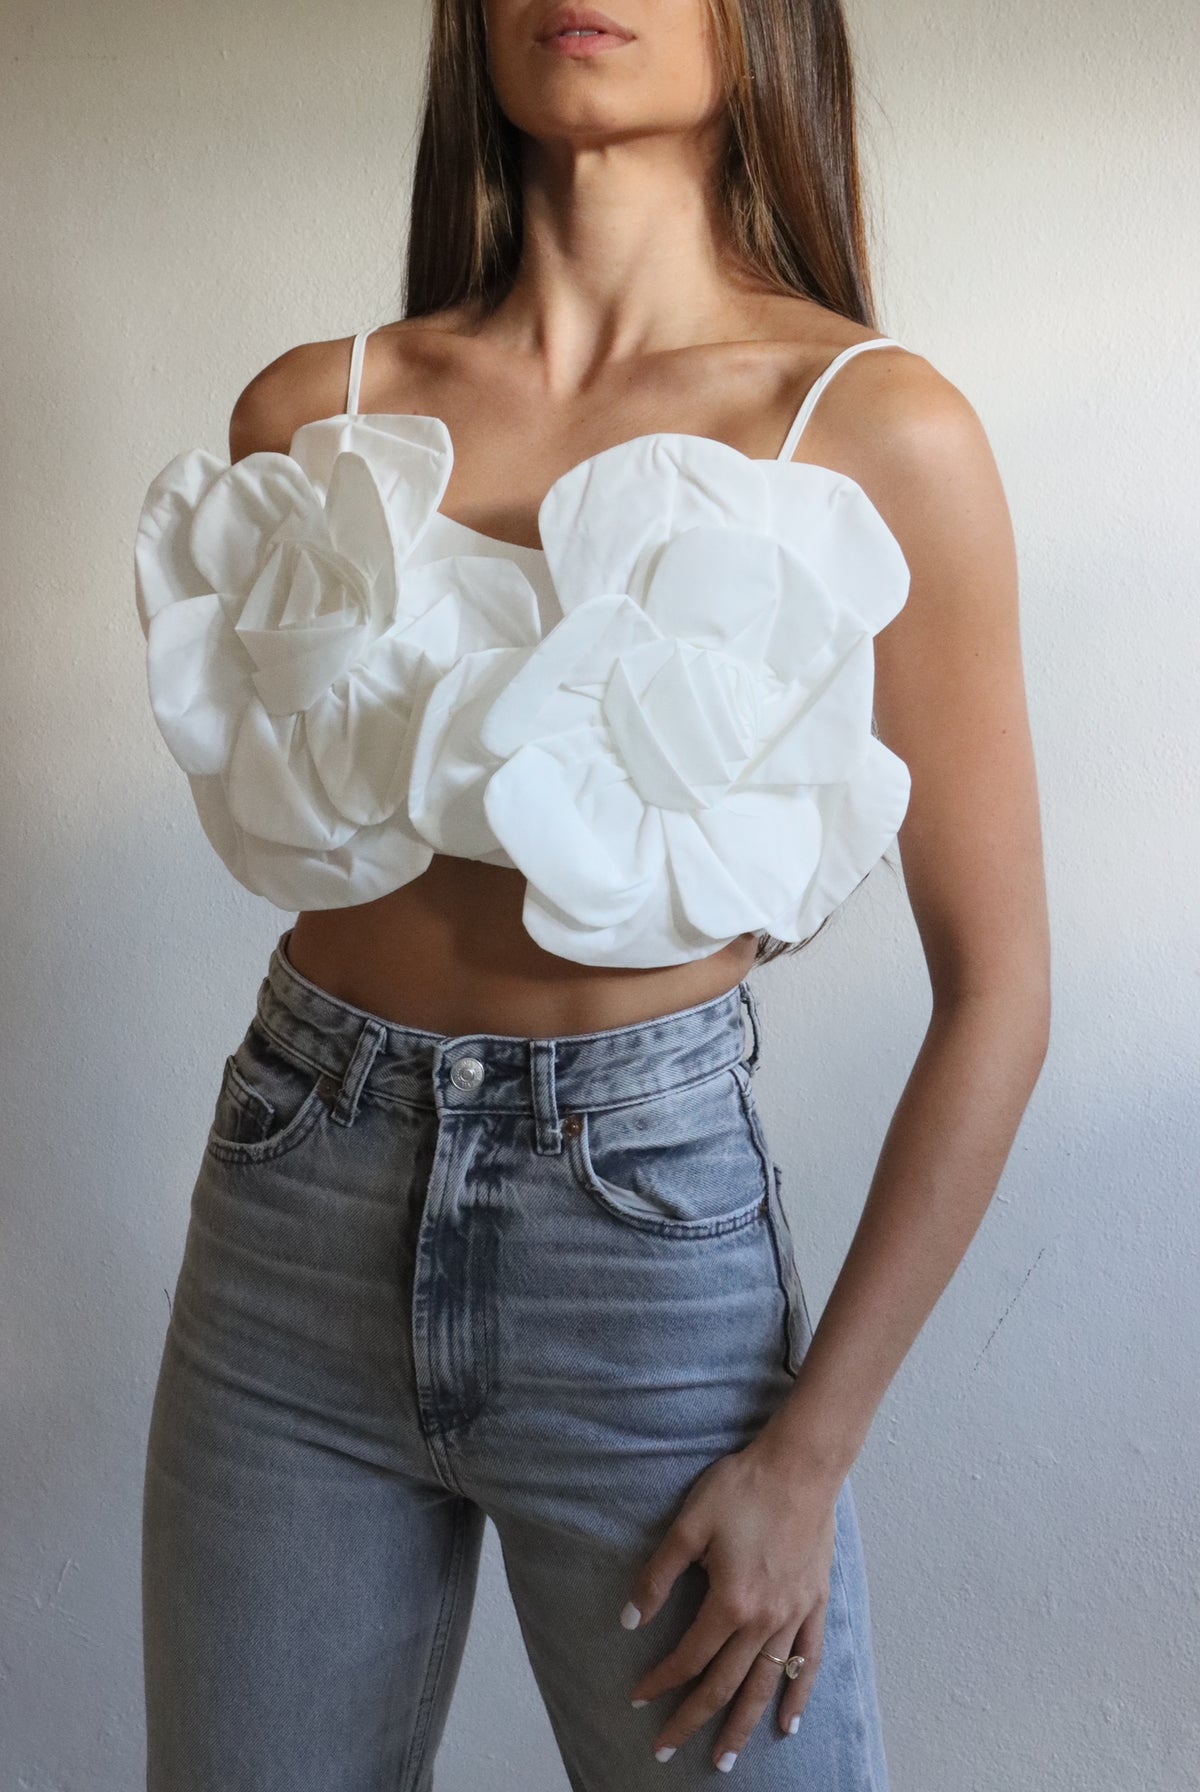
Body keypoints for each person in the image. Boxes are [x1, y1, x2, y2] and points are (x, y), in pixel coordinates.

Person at [134, 2, 1051, 1787]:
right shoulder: (313, 416)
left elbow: (1000, 989)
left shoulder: (872, 428)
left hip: (637, 1254)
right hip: (289, 1208)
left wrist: (811, 1455)